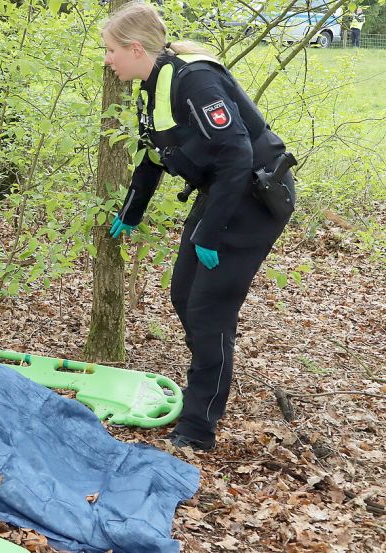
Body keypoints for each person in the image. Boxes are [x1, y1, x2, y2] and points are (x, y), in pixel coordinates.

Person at [102, 2, 295, 451]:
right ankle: (211, 368)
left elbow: (239, 156)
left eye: (110, 50)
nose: (107, 59)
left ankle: (198, 427)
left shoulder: (196, 83)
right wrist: (130, 213)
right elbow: (152, 157)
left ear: (134, 49)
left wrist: (209, 232)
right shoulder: (151, 88)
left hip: (255, 198)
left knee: (210, 309)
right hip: (224, 192)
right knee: (184, 293)